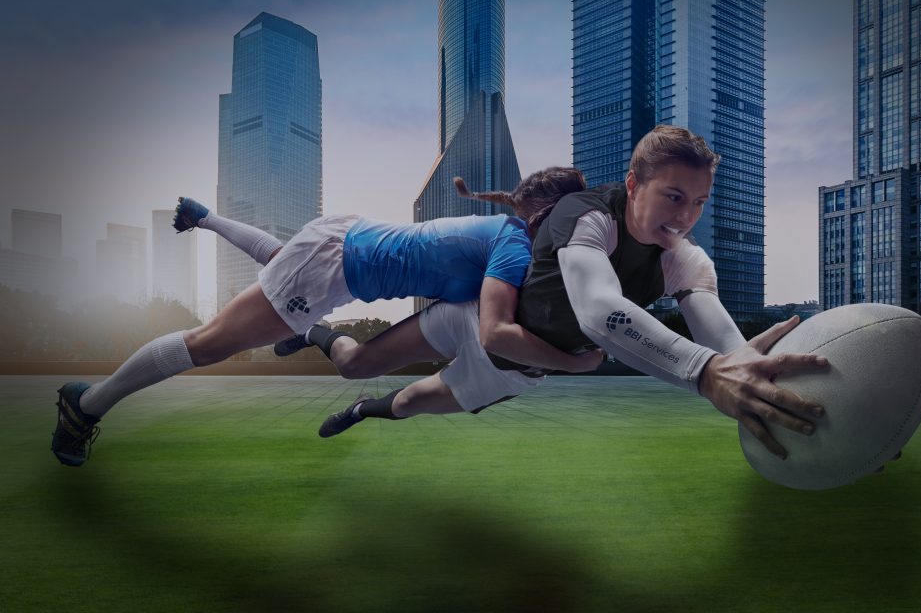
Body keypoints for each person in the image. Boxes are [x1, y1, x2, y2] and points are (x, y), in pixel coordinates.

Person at [316, 125, 829, 459]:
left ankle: (363, 409)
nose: (686, 216)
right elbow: (598, 311)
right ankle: (318, 333)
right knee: (354, 361)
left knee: (405, 402)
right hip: (471, 319)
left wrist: (814, 411)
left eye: (698, 202)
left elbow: (727, 346)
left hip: (512, 371)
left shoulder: (686, 259)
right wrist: (702, 372)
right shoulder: (586, 214)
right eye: (673, 197)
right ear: (633, 185)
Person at [50, 167, 598, 466]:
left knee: (289, 283)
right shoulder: (516, 246)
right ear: (550, 216)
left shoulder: (515, 242)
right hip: (335, 265)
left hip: (340, 244)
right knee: (210, 343)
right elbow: (495, 327)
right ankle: (86, 404)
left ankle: (213, 224)